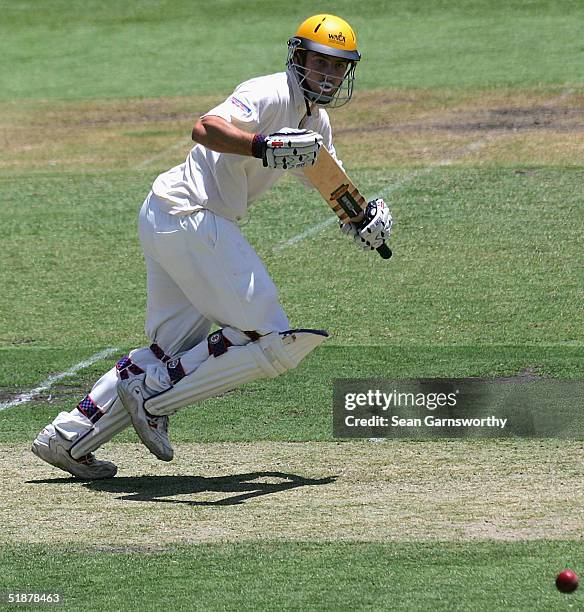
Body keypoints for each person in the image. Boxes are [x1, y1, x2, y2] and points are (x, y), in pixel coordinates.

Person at [31, 14, 393, 479]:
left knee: (171, 349)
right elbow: (205, 128)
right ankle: (154, 394)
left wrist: (362, 217)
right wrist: (261, 145)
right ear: (298, 58)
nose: (328, 75)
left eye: (338, 67)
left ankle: (68, 436)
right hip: (192, 214)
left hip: (168, 215)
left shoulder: (315, 121)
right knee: (268, 336)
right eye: (320, 63)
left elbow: (326, 174)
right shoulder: (268, 92)